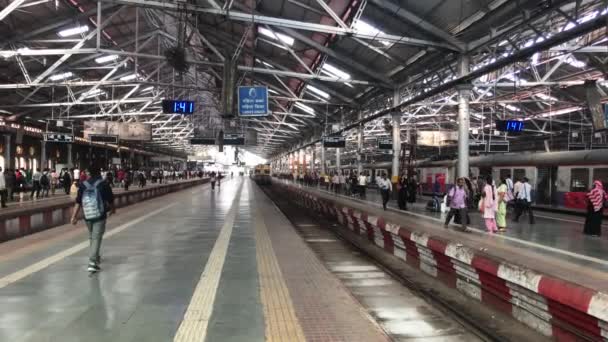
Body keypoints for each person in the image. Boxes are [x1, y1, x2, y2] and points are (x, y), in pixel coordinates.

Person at [71, 167, 115, 273]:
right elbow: (110, 200)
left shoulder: (83, 184)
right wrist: (113, 209)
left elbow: (78, 202)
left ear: (89, 173)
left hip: (88, 215)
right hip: (100, 215)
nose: (85, 173)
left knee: (92, 236)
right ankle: (92, 262)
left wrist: (74, 216)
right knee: (96, 237)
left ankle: (95, 256)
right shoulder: (104, 184)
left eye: (86, 172)